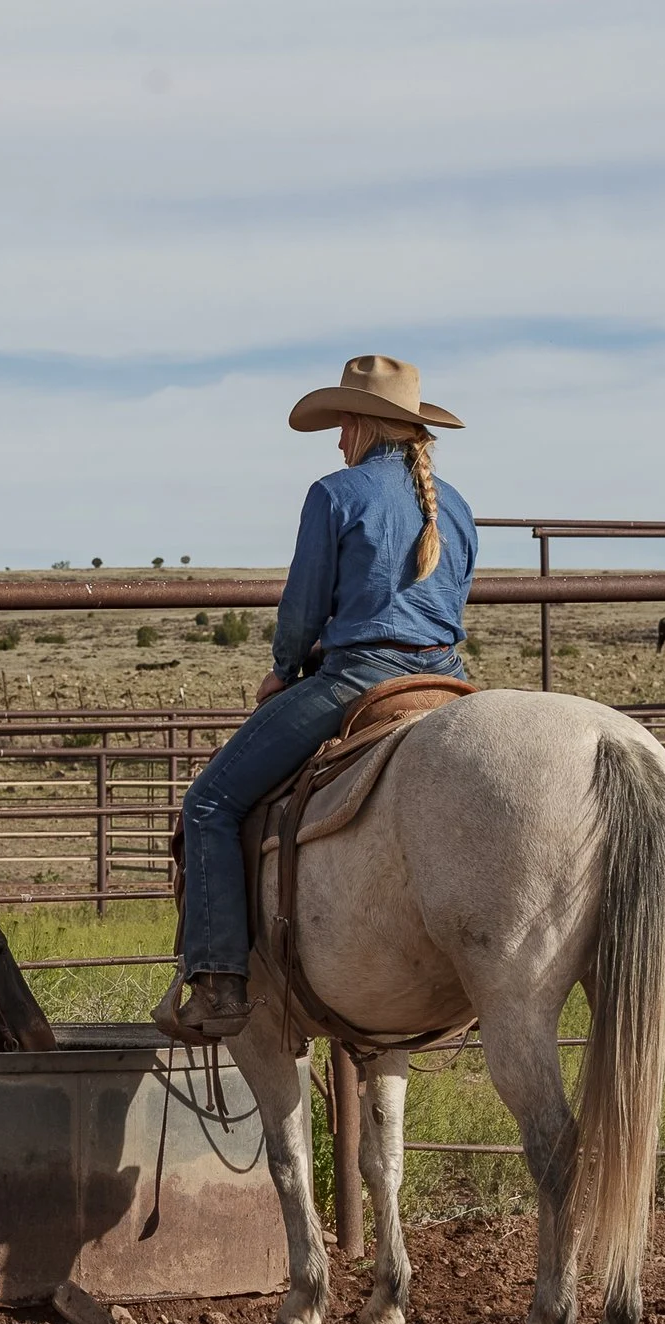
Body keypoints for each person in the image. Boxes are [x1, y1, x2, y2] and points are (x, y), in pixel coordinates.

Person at [173, 355, 478, 1039]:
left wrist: (284, 668)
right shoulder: (454, 505)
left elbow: (303, 610)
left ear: (365, 423)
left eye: (343, 422)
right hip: (445, 682)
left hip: (360, 679)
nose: (339, 438)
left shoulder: (336, 494)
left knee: (211, 802)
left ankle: (220, 980)